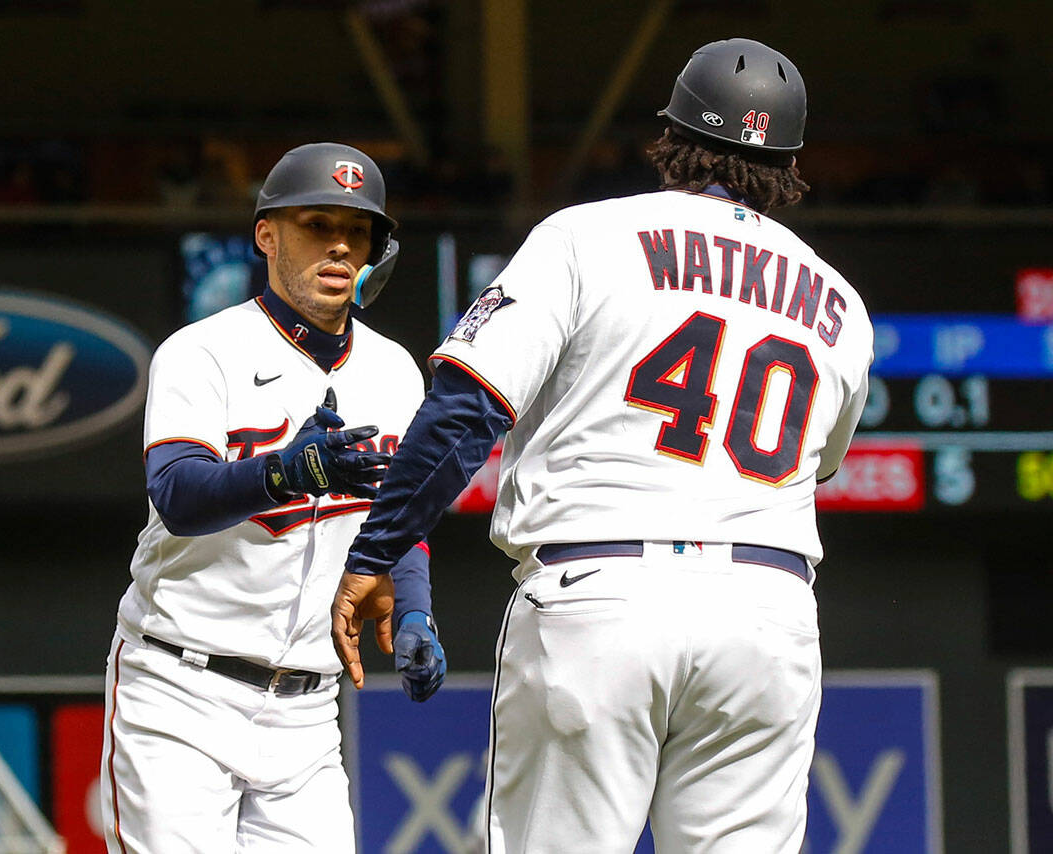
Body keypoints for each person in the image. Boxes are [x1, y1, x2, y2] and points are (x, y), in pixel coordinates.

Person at [332, 38, 873, 852]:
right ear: (790, 166)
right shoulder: (840, 301)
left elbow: (463, 415)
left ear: (673, 138)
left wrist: (376, 551)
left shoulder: (590, 236)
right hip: (767, 613)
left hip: (602, 591)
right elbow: (819, 462)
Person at [100, 142, 446, 853]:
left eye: (361, 232)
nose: (342, 246)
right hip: (180, 687)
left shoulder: (394, 370)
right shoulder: (202, 351)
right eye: (318, 224)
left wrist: (415, 610)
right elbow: (179, 497)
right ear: (267, 234)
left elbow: (401, 518)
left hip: (308, 710)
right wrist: (284, 473)